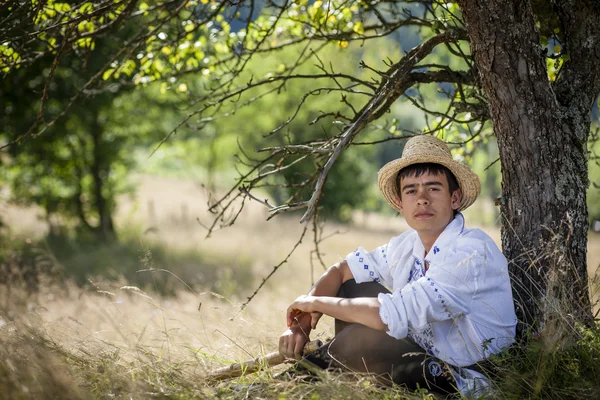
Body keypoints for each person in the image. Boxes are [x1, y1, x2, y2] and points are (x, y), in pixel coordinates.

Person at [278, 135, 517, 396]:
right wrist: (300, 325)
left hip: (463, 379)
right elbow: (342, 270)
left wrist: (313, 303)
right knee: (351, 286)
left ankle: (279, 389)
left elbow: (385, 315)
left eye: (434, 188)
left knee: (361, 338)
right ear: (401, 204)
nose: (422, 199)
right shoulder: (408, 245)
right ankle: (353, 382)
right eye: (411, 190)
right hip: (420, 357)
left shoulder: (471, 251)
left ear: (455, 198)